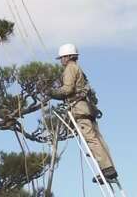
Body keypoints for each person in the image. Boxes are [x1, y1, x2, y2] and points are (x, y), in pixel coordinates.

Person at [51, 43, 119, 184]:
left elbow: (67, 90)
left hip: (79, 109)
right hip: (87, 108)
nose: (61, 61)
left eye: (63, 57)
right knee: (98, 138)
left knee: (91, 139)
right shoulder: (79, 69)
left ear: (69, 56)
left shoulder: (70, 68)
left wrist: (51, 92)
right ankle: (109, 167)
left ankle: (106, 169)